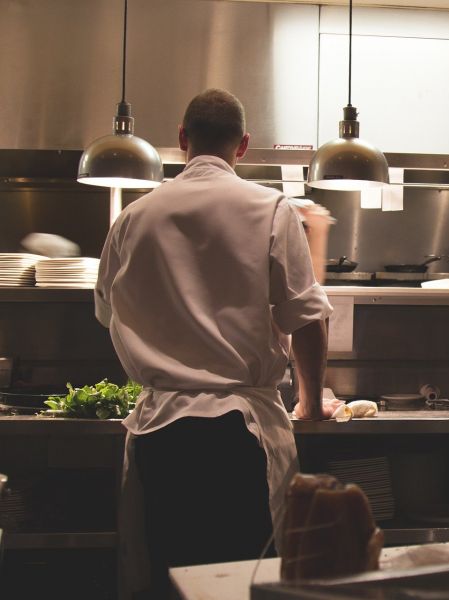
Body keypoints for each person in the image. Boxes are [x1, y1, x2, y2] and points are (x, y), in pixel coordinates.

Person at [94, 88, 334, 597]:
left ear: (182, 138)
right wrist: (311, 404)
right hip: (237, 436)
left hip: (160, 435)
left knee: (171, 581)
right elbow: (308, 319)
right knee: (242, 585)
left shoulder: (133, 217)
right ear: (243, 144)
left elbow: (107, 313)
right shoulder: (270, 208)